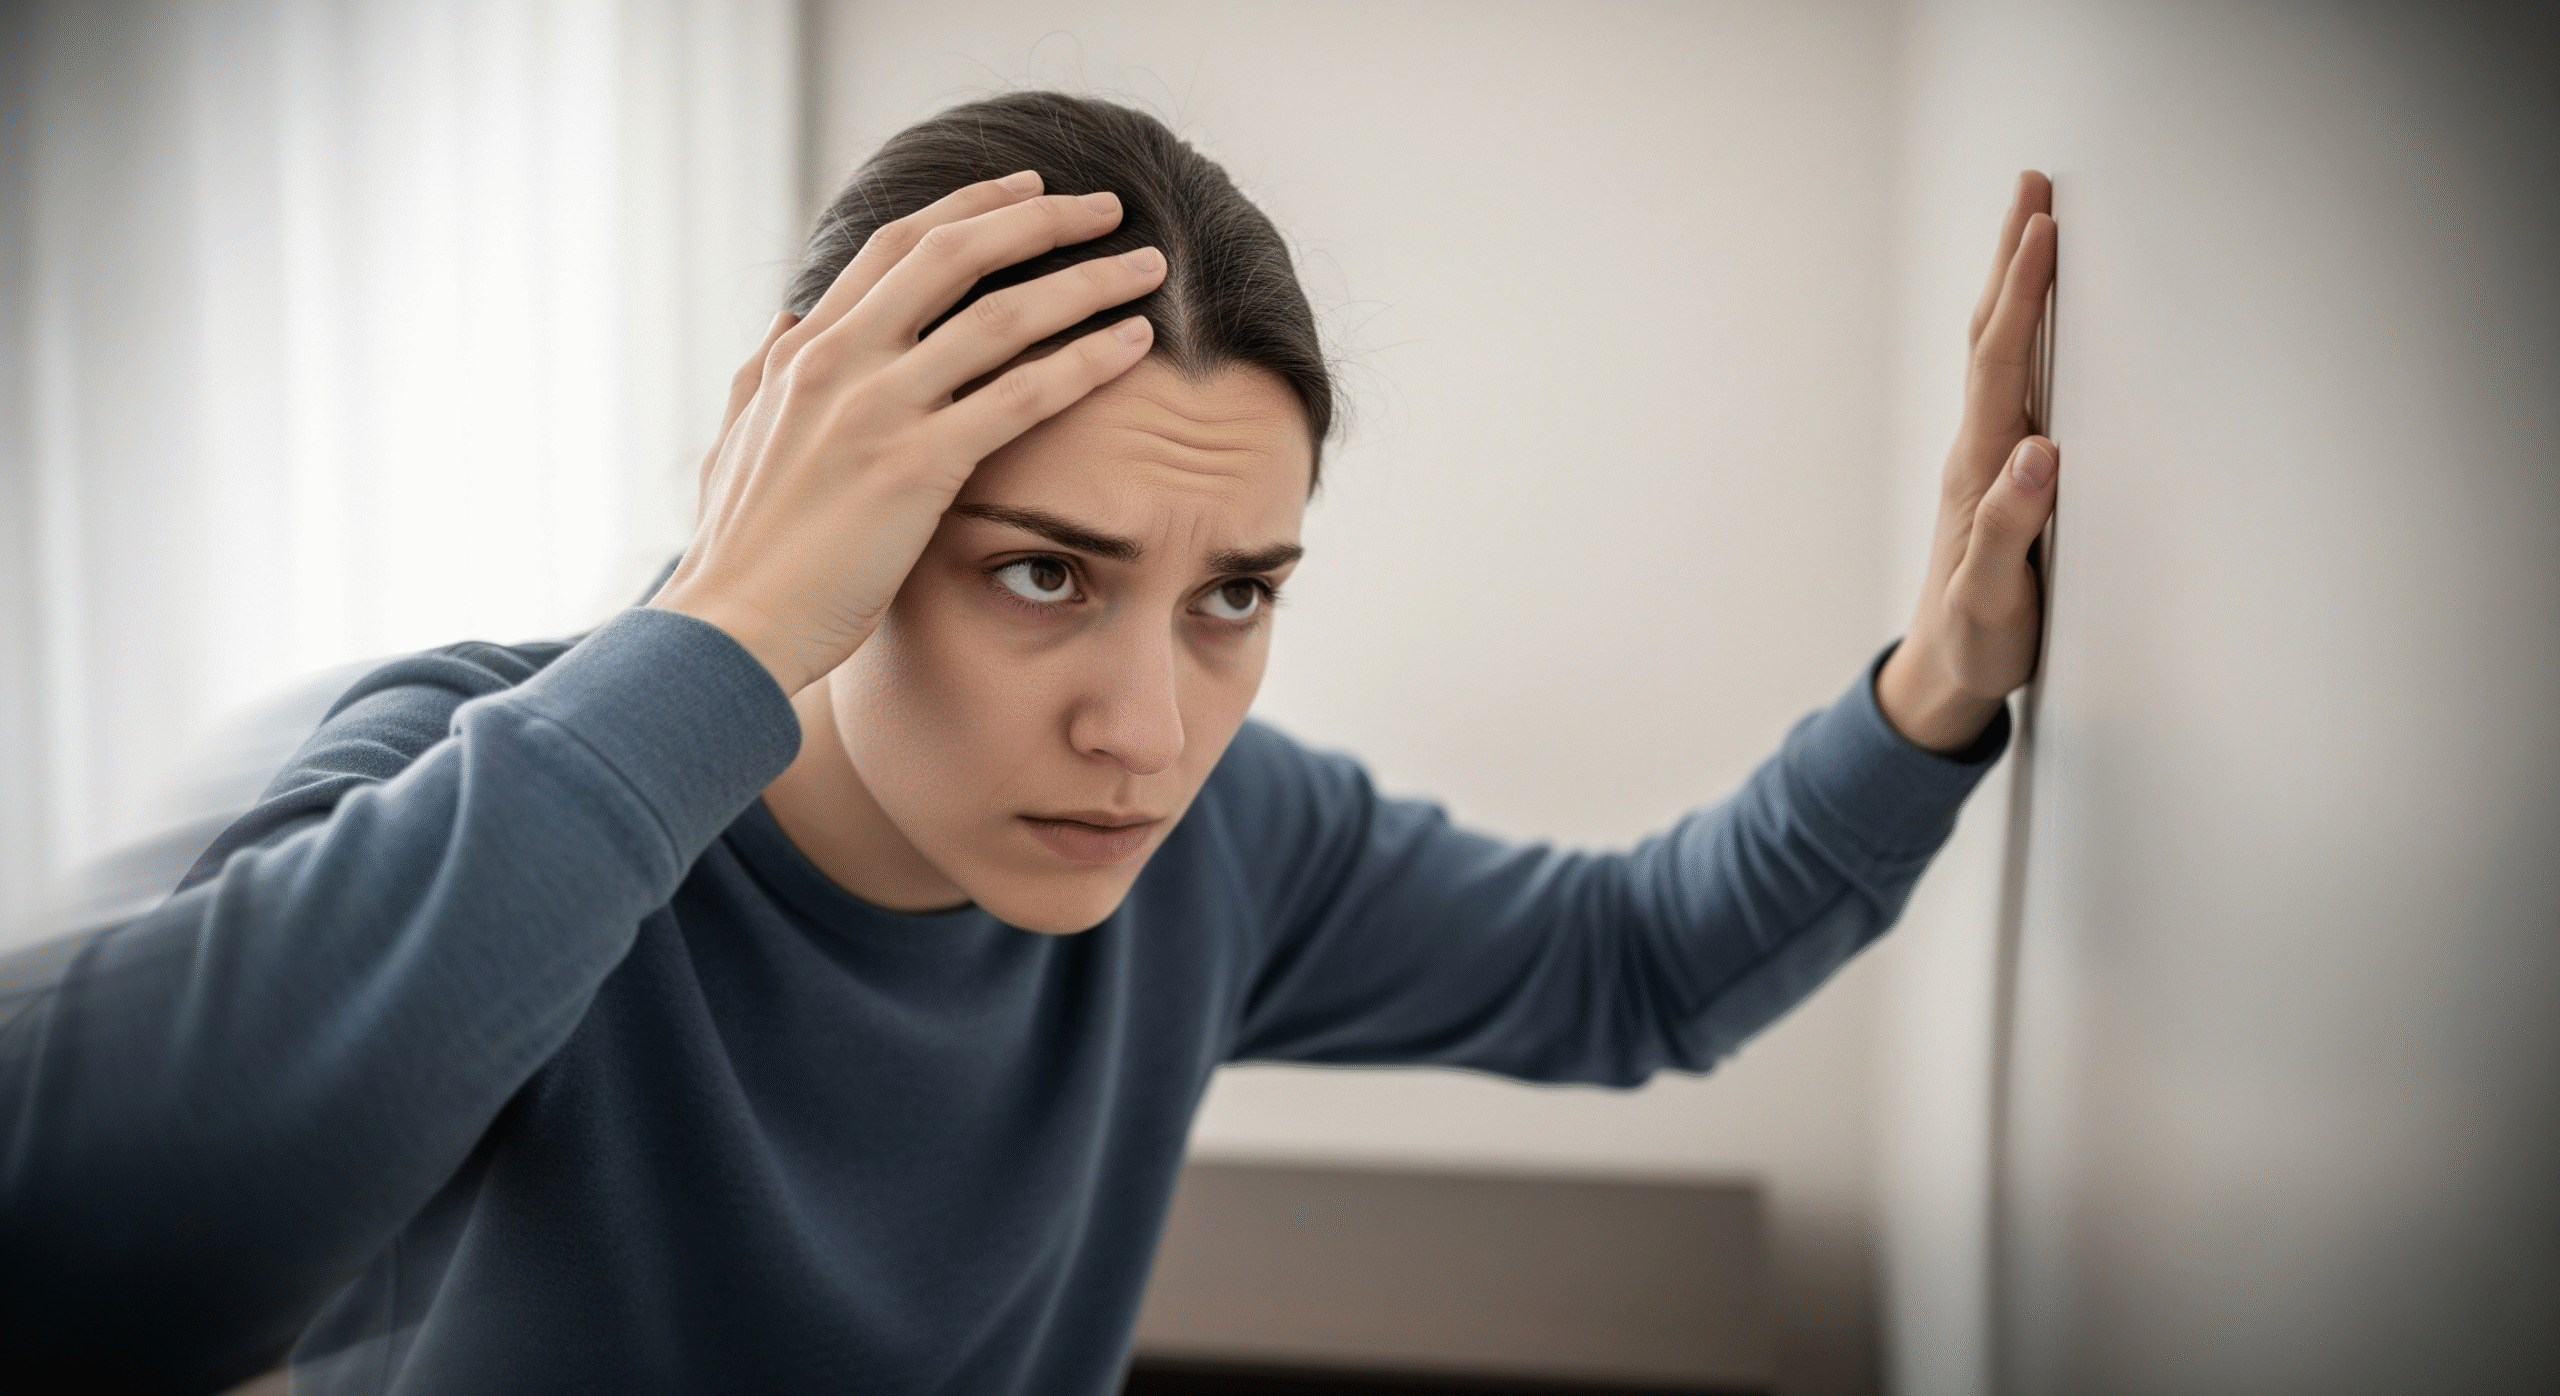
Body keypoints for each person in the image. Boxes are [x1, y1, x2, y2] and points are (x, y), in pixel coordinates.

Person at [0, 91, 2059, 1394]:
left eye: (1234, 593)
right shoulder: (493, 764)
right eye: (1042, 573)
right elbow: (79, 1262)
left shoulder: (1227, 836)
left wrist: (1938, 685)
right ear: (808, 481)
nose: (1147, 733)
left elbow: (1632, 967)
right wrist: (721, 619)